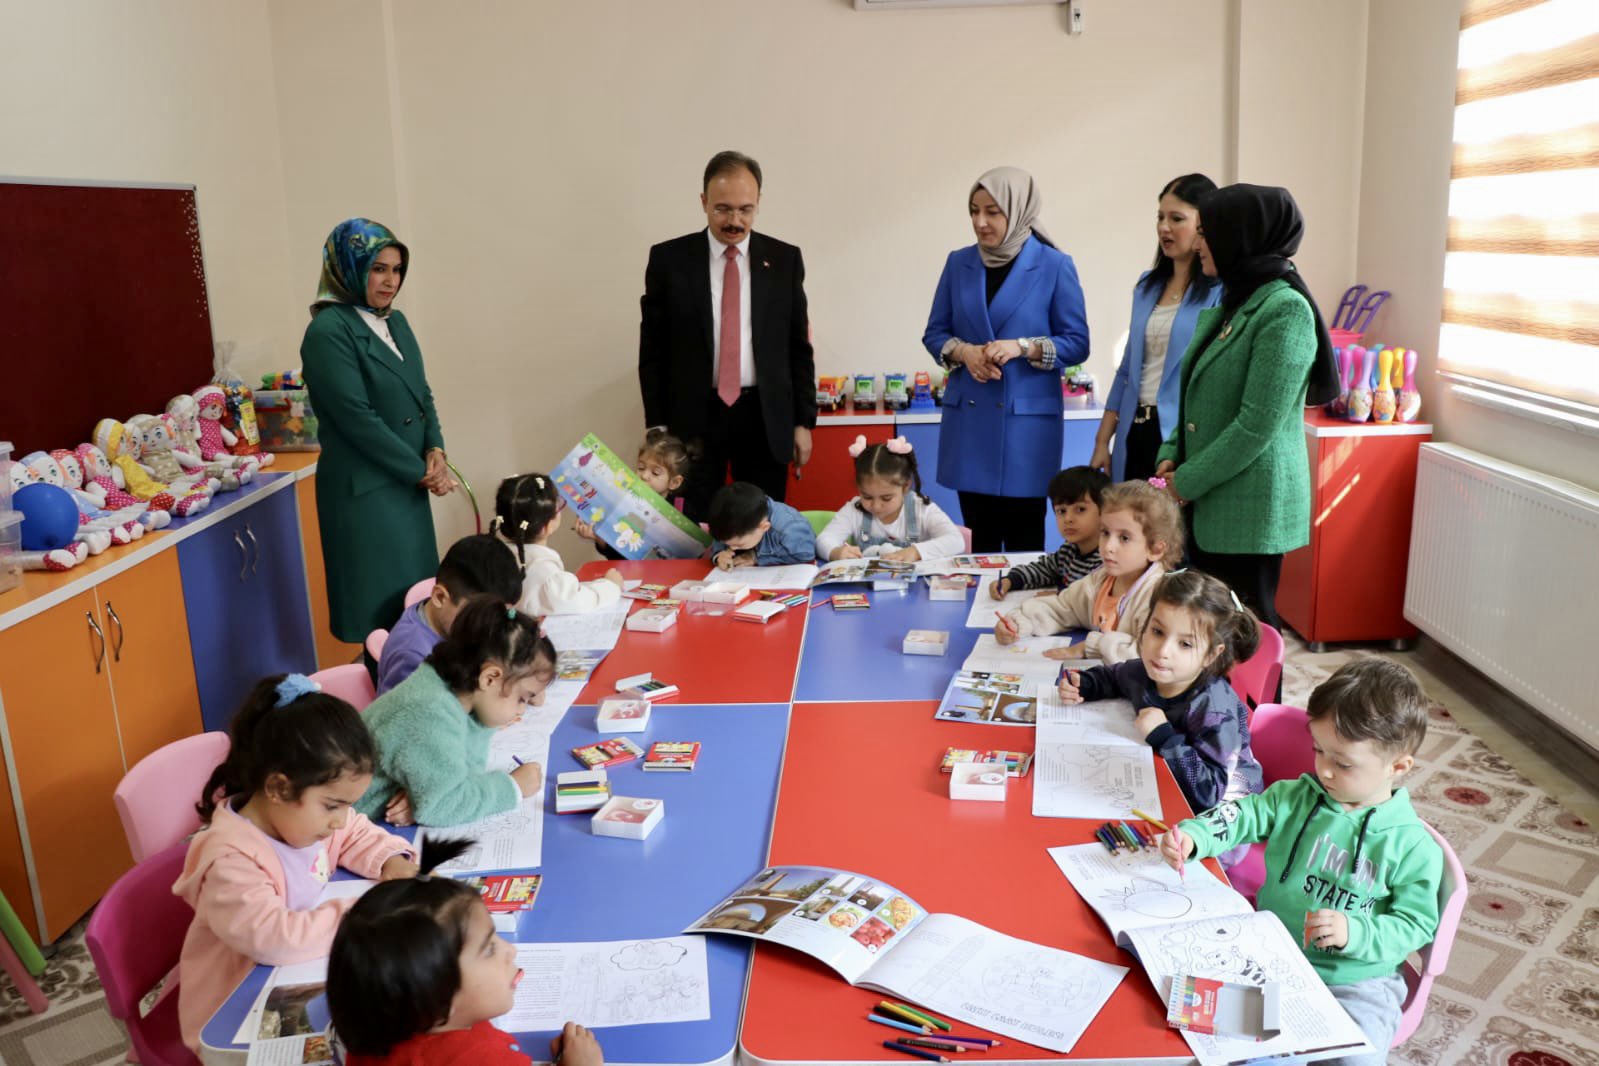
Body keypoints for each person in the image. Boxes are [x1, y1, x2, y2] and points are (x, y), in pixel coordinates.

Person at [1161, 659, 1442, 1066]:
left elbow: (1415, 926)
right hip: (1271, 959)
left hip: (1357, 981)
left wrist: (1355, 932)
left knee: (1356, 1060)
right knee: (1209, 1036)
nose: (1323, 769)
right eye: (1318, 750)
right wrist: (1196, 836)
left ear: (1398, 767)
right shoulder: (1294, 797)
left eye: (1343, 763)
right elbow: (1243, 815)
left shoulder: (1413, 847)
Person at [173, 674, 418, 1053]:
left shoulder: (302, 817)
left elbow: (354, 832)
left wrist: (393, 859)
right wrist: (369, 914)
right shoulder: (229, 859)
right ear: (278, 788)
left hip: (292, 969)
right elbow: (276, 938)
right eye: (333, 806)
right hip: (234, 1010)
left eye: (347, 805)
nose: (340, 819)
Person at [1153, 184, 1339, 629]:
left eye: (1207, 232)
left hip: (1250, 508)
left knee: (1246, 633)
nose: (1198, 243)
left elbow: (1257, 425)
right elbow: (1197, 393)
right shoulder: (1237, 300)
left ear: (1240, 235)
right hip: (1210, 498)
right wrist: (1171, 451)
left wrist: (1187, 482)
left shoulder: (1284, 309)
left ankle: (1258, 705)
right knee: (1205, 631)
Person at [300, 218, 456, 642]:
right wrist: (421, 470)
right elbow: (357, 419)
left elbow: (421, 392)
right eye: (378, 269)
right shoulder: (328, 331)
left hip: (407, 485)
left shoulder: (396, 322)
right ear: (348, 268)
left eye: (397, 269)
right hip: (366, 495)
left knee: (416, 611)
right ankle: (381, 699)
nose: (391, 281)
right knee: (379, 623)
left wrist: (436, 450)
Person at [638, 150, 816, 519]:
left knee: (764, 525)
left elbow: (798, 348)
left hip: (765, 416)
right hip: (694, 417)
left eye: (745, 209)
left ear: (758, 203)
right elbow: (652, 350)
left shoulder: (784, 260)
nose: (734, 221)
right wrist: (656, 426)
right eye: (722, 209)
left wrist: (803, 422)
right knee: (694, 525)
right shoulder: (670, 261)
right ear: (703, 201)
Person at [921, 166, 1090, 553]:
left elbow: (1077, 343)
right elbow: (935, 333)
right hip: (971, 423)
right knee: (979, 543)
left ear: (1020, 210)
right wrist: (964, 353)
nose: (980, 223)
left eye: (993, 211)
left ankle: (1020, 616)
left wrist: (1023, 346)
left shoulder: (1054, 265)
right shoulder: (958, 263)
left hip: (1025, 432)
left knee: (1024, 544)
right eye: (974, 211)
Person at [1057, 570, 1264, 829]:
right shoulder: (1144, 671)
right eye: (1157, 631)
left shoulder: (1214, 709)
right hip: (1167, 787)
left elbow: (1209, 793)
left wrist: (1164, 737)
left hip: (1225, 818)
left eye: (1185, 644)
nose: (1163, 651)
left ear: (1211, 654)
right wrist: (1085, 684)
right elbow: (1115, 676)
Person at [329, 876, 605, 1065]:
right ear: (438, 999)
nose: (511, 950)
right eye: (489, 949)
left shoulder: (375, 1027)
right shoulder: (485, 1060)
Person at [357, 598, 553, 828]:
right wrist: (513, 787)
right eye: (522, 699)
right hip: (335, 835)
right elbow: (442, 805)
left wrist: (427, 796)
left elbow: (463, 776)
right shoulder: (429, 710)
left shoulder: (463, 695)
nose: (521, 709)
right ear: (489, 678)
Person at [1090, 173, 1223, 481]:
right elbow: (1127, 371)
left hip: (1181, 438)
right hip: (1134, 430)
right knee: (1127, 525)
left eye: (1177, 218)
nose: (1164, 227)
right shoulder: (1147, 286)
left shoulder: (1219, 292)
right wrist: (1101, 441)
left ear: (1205, 226)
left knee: (1168, 528)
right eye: (1160, 217)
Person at [994, 480, 1181, 664]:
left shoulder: (1159, 598)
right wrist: (1019, 623)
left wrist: (1089, 647)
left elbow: (1148, 654)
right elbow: (1063, 607)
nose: (1108, 547)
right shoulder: (1101, 579)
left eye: (1124, 537)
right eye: (1105, 533)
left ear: (1155, 550)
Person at [377, 534, 525, 695]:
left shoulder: (452, 623)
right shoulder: (414, 659)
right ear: (440, 597)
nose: (488, 627)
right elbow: (413, 717)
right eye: (479, 616)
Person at [814, 436, 963, 563]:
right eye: (867, 497)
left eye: (886, 498)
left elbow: (956, 541)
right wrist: (835, 552)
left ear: (905, 486)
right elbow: (824, 539)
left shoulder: (921, 509)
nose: (876, 506)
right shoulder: (854, 509)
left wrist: (915, 552)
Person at [493, 473, 623, 616]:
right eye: (559, 505)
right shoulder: (543, 569)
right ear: (546, 526)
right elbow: (577, 601)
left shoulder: (496, 557)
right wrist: (611, 585)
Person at [574, 427, 692, 560]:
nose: (645, 475)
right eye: (641, 468)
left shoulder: (682, 509)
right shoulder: (624, 504)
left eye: (655, 473)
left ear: (675, 482)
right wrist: (599, 538)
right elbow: (619, 557)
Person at [989, 466, 1108, 597]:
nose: (1068, 519)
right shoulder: (1069, 551)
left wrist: (1058, 596)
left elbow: (1096, 598)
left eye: (1080, 509)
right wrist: (1010, 581)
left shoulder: (1108, 559)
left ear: (1105, 511)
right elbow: (1042, 569)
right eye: (1061, 511)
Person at [707, 481, 815, 569]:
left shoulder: (788, 529)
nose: (731, 548)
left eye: (739, 545)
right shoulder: (727, 521)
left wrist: (757, 558)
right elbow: (720, 539)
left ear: (764, 527)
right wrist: (719, 556)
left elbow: (805, 556)